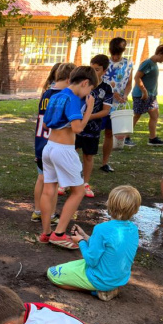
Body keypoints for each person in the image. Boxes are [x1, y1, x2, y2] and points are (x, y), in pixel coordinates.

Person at [47, 185, 141, 301]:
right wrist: (85, 236)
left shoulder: (101, 229)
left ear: (110, 204)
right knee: (70, 267)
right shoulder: (133, 229)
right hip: (119, 278)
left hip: (100, 278)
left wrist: (80, 241)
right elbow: (108, 247)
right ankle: (109, 287)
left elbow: (91, 261)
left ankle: (97, 290)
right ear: (135, 209)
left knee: (52, 274)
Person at [39, 66, 97, 249]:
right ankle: (59, 234)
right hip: (64, 150)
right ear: (85, 83)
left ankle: (46, 233)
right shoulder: (73, 98)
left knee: (49, 189)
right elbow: (77, 128)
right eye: (90, 90)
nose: (89, 94)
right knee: (78, 191)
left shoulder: (56, 95)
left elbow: (46, 123)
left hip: (49, 147)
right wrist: (89, 110)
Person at [32, 63, 75, 223]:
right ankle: (50, 215)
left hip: (40, 143)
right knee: (52, 183)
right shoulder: (64, 97)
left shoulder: (46, 94)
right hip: (54, 144)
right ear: (70, 79)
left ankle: (38, 211)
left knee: (41, 178)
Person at [76, 54, 113, 198]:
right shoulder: (83, 83)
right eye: (92, 68)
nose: (93, 72)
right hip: (76, 126)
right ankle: (67, 182)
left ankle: (85, 183)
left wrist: (88, 117)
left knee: (88, 156)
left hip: (93, 129)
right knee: (71, 153)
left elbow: (106, 111)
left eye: (97, 70)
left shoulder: (106, 89)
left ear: (104, 71)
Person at [100, 37, 134, 172]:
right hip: (101, 103)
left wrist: (125, 95)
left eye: (118, 54)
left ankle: (105, 162)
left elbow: (129, 83)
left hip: (117, 106)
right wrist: (112, 93)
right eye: (113, 54)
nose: (115, 57)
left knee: (109, 133)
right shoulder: (103, 63)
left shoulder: (128, 64)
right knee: (92, 132)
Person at [129, 44, 163, 147]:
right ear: (160, 53)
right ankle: (126, 137)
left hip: (151, 96)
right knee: (136, 116)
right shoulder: (147, 63)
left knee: (155, 115)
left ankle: (152, 139)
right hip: (141, 95)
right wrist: (144, 91)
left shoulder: (154, 64)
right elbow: (137, 77)